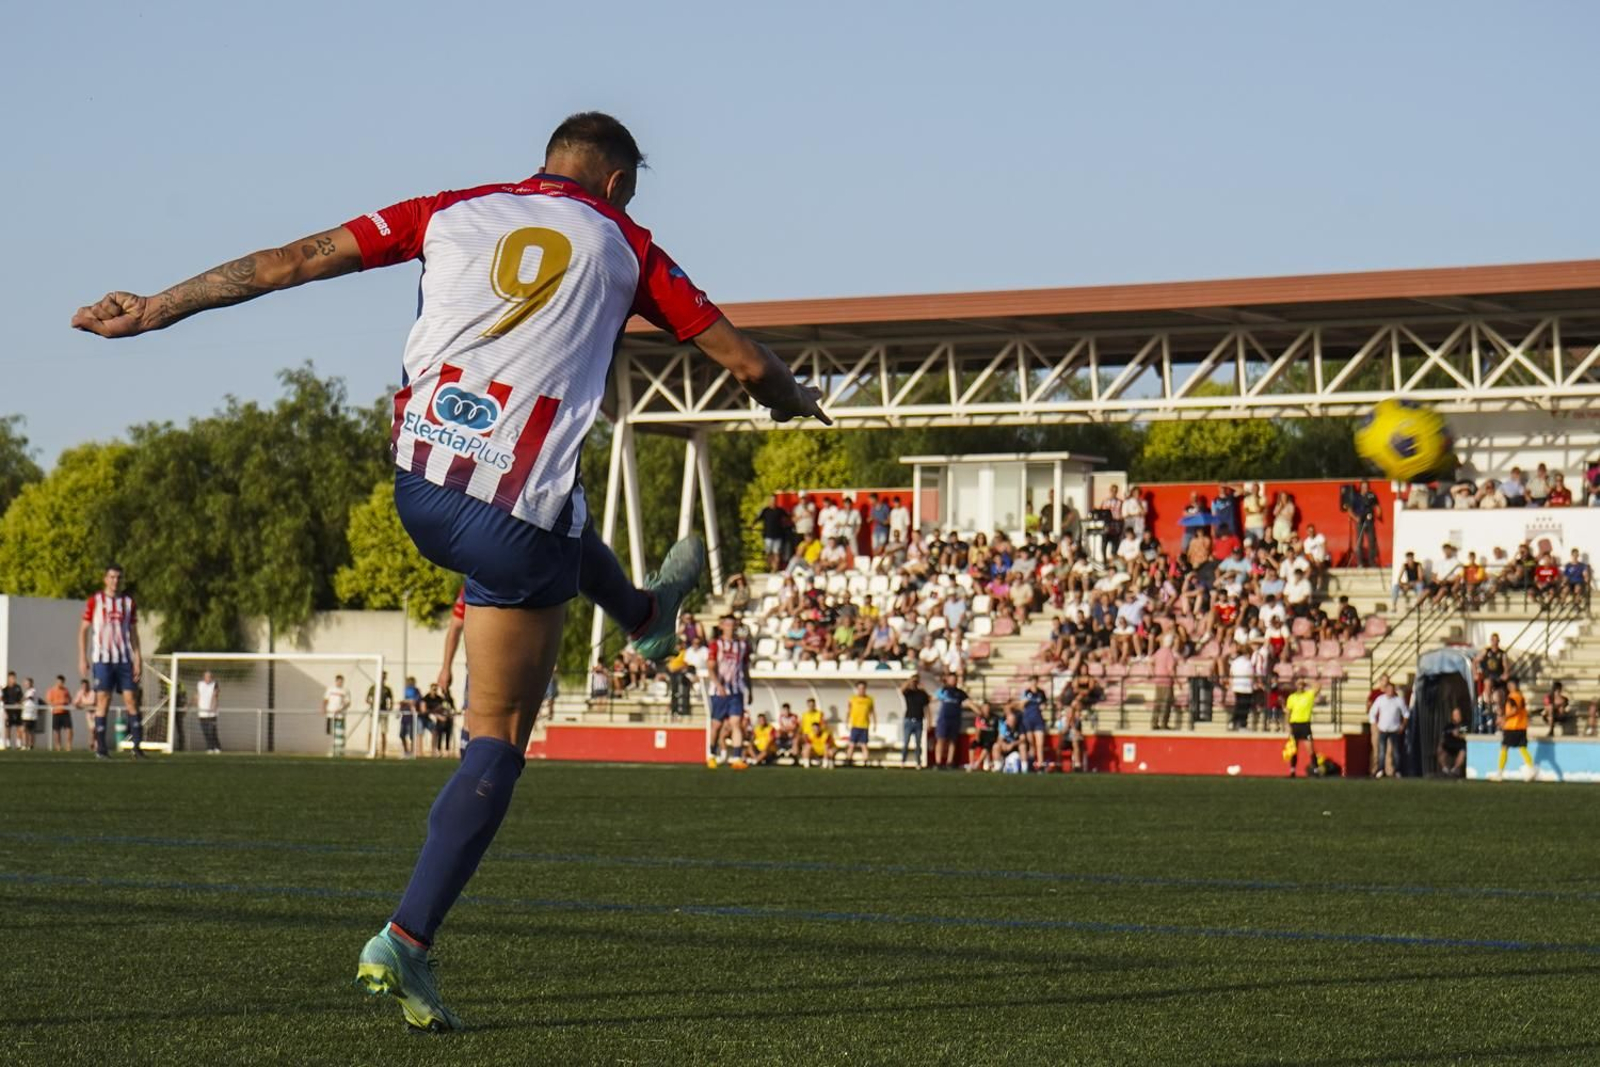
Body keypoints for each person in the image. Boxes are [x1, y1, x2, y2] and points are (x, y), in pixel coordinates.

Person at [74, 113, 829, 1032]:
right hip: (516, 528)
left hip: (420, 488)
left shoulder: (450, 209)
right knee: (498, 738)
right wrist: (798, 402)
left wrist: (152, 309)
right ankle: (406, 939)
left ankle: (642, 612)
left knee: (564, 494)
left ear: (544, 163)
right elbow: (746, 362)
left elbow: (289, 260)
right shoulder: (628, 245)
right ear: (620, 183)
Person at [77, 564, 143, 760]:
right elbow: (83, 630)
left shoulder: (128, 603)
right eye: (112, 577)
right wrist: (83, 657)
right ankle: (101, 748)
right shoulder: (95, 601)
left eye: (119, 578)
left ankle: (137, 747)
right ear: (105, 579)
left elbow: (133, 633)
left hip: (124, 659)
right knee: (103, 700)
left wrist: (137, 658)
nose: (115, 581)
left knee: (132, 700)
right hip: (102, 660)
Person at [706, 616, 752, 770]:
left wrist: (749, 688)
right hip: (719, 691)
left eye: (733, 625)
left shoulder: (742, 646)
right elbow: (711, 667)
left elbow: (745, 669)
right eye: (727, 624)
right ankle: (712, 754)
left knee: (736, 723)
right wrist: (718, 685)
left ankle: (737, 757)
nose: (730, 628)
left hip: (736, 690)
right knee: (717, 725)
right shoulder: (716, 645)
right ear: (721, 626)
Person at [1491, 678, 1536, 781]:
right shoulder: (1520, 696)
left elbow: (1515, 710)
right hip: (1521, 726)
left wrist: (1504, 717)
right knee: (1522, 748)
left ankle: (1499, 773)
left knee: (1504, 747)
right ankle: (1531, 768)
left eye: (1510, 685)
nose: (1509, 687)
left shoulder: (1513, 697)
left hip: (1513, 727)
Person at [933, 672, 975, 770]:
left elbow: (969, 702)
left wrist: (978, 710)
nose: (953, 681)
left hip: (955, 718)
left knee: (952, 740)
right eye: (951, 679)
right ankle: (938, 762)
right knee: (941, 739)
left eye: (954, 679)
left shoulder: (960, 693)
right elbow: (933, 698)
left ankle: (949, 762)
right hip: (944, 718)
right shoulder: (943, 691)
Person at [1368, 680, 1409, 778]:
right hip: (1383, 729)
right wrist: (1375, 724)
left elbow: (1406, 713)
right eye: (1389, 689)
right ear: (1385, 690)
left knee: (1395, 752)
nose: (1390, 691)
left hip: (1394, 730)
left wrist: (1403, 725)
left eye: (1392, 689)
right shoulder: (1380, 700)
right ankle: (1380, 770)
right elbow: (1372, 713)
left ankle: (1397, 770)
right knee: (1381, 751)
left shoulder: (1398, 700)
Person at [1284, 677, 1318, 778]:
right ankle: (1292, 770)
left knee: (1310, 749)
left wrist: (1307, 681)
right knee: (1294, 749)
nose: (1301, 685)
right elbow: (1288, 712)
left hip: (1305, 724)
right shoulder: (1291, 697)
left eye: (1302, 684)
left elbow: (1318, 686)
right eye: (1299, 683)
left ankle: (1315, 769)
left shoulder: (1309, 695)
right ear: (1296, 685)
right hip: (1295, 724)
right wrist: (1287, 725)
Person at [1018, 676, 1051, 770]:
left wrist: (1043, 706)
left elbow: (1045, 704)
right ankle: (1031, 763)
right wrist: (1024, 702)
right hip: (1028, 719)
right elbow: (1021, 705)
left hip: (1038, 719)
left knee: (1039, 743)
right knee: (1031, 743)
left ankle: (1040, 764)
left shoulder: (1041, 693)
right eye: (1032, 681)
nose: (1034, 683)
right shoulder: (1026, 692)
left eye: (1035, 681)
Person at [842, 682, 875, 767]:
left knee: (864, 745)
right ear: (857, 689)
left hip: (864, 726)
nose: (861, 690)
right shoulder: (852, 699)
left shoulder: (869, 699)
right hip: (855, 725)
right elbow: (849, 710)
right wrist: (846, 721)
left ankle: (865, 762)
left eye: (863, 688)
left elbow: (872, 712)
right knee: (851, 744)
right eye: (860, 688)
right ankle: (848, 761)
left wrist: (875, 723)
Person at [899, 676, 929, 768]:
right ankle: (903, 761)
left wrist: (928, 721)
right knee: (906, 742)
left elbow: (926, 707)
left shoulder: (922, 694)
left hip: (919, 721)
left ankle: (918, 762)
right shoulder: (909, 692)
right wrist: (909, 681)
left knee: (918, 743)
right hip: (908, 720)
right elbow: (901, 690)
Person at [754, 495, 790, 572]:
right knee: (769, 553)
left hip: (778, 535)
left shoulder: (780, 510)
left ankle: (775, 568)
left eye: (774, 500)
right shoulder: (765, 510)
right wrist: (753, 524)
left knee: (776, 553)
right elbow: (758, 518)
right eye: (771, 500)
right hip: (768, 536)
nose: (773, 502)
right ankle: (770, 567)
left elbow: (788, 517)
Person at [324, 675, 352, 758]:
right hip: (330, 714)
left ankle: (339, 751)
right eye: (338, 681)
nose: (339, 683)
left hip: (340, 715)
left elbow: (348, 703)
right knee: (330, 732)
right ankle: (330, 750)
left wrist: (341, 709)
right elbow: (325, 699)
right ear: (336, 681)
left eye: (341, 681)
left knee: (339, 733)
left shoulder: (345, 691)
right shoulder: (330, 689)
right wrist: (324, 708)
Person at [195, 669, 222, 754]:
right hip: (202, 712)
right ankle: (210, 747)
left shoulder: (214, 684)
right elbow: (197, 695)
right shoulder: (200, 684)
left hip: (211, 712)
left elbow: (215, 696)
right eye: (206, 676)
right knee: (205, 731)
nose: (208, 678)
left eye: (209, 676)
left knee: (212, 730)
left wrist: (213, 705)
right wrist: (195, 705)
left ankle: (216, 747)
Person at [1436, 705, 1468, 777]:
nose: (1457, 716)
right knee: (1440, 749)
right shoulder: (1448, 726)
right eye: (1455, 715)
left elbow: (1464, 733)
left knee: (1463, 751)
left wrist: (1458, 734)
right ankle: (1445, 769)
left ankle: (1455, 769)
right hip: (1449, 746)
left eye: (1458, 714)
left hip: (1460, 746)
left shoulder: (1464, 725)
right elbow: (1444, 734)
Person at [47, 675, 72, 752]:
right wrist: (59, 703)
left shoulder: (66, 690)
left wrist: (66, 702)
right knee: (56, 730)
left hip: (65, 712)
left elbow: (69, 700)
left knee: (69, 729)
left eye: (61, 682)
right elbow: (49, 701)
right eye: (59, 681)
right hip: (56, 712)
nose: (60, 683)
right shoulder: (51, 690)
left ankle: (68, 745)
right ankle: (58, 746)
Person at [2, 671, 22, 751]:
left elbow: (21, 698)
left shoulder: (18, 687)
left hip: (17, 711)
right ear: (8, 678)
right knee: (8, 728)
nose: (13, 679)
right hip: (9, 711)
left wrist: (19, 703)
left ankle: (18, 744)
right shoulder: (5, 689)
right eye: (11, 678)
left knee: (18, 727)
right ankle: (8, 744)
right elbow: (3, 701)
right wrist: (5, 711)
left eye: (14, 678)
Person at [19, 678, 39, 751]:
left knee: (30, 731)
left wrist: (21, 701)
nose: (26, 684)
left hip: (31, 714)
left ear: (31, 683)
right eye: (25, 683)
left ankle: (31, 745)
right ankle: (25, 745)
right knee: (25, 730)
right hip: (26, 714)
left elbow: (29, 697)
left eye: (27, 683)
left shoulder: (33, 691)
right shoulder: (27, 691)